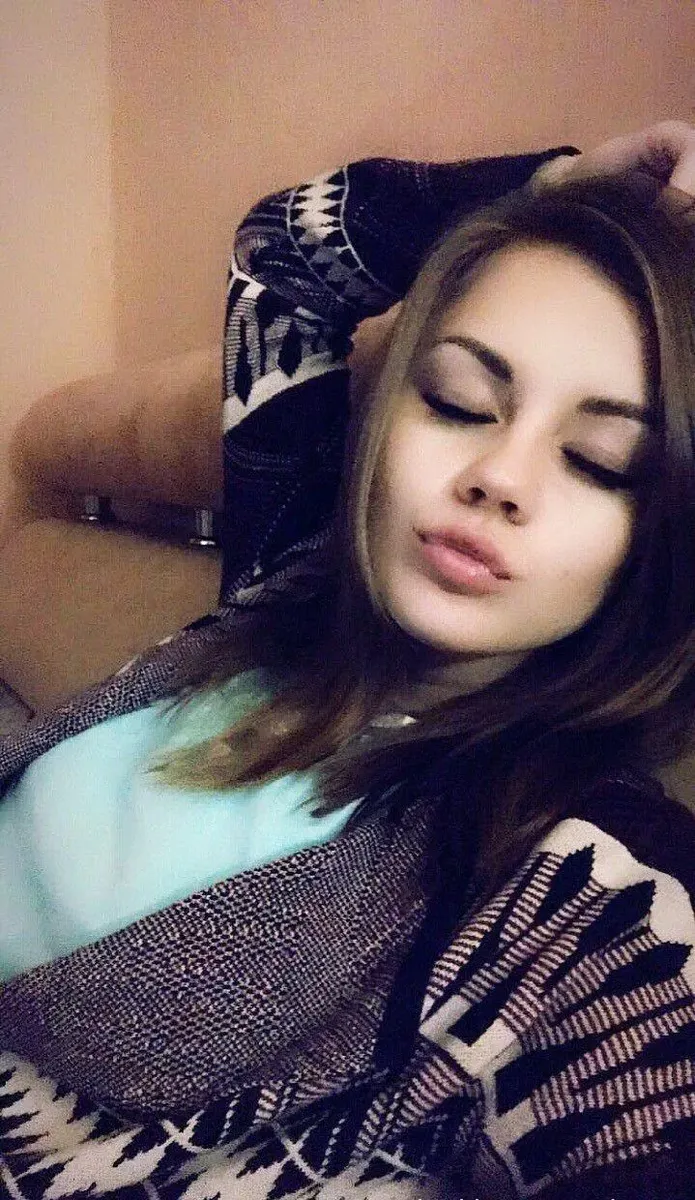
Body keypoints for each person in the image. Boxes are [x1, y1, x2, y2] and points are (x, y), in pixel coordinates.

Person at [1, 122, 695, 1199]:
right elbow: (280, 258)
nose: (497, 475)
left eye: (602, 462)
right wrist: (547, 186)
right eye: (457, 401)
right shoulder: (289, 570)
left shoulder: (574, 881)